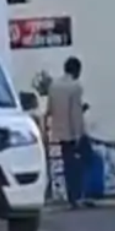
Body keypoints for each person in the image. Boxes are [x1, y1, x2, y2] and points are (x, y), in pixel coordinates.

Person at [46, 57, 94, 209]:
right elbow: (74, 114)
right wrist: (78, 134)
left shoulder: (54, 85)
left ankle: (72, 197)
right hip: (74, 133)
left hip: (60, 132)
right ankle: (79, 195)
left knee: (68, 164)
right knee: (85, 161)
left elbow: (50, 109)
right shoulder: (75, 87)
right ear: (77, 70)